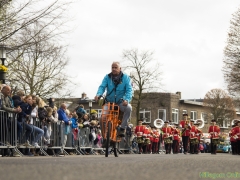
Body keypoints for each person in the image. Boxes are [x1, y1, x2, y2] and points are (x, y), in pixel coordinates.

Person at [94, 61, 133, 137]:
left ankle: (122, 128)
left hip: (120, 101)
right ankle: (104, 137)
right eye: (112, 67)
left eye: (116, 67)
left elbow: (129, 90)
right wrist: (98, 95)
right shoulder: (107, 77)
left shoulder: (126, 78)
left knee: (129, 108)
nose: (114, 69)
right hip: (109, 102)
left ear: (120, 68)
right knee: (102, 119)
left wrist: (127, 99)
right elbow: (102, 87)